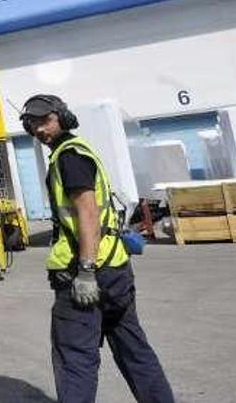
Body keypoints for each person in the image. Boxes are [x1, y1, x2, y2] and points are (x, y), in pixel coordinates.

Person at [19, 95, 174, 403]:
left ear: (61, 117)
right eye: (32, 123)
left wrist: (86, 271)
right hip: (115, 271)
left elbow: (87, 212)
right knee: (133, 349)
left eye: (44, 120)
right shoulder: (78, 151)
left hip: (87, 275)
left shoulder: (69, 156)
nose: (38, 129)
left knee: (75, 357)